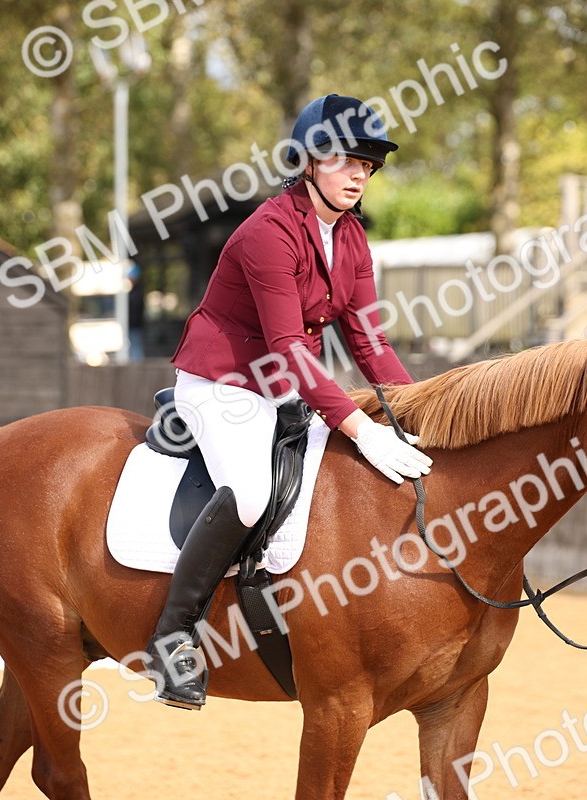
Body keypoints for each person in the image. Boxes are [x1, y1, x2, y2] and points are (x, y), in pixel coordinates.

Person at [146, 94, 433, 709]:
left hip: (282, 386)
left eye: (369, 163)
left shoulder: (351, 237)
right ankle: (173, 638)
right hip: (222, 382)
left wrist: (416, 411)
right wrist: (361, 425)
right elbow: (285, 346)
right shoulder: (267, 232)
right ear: (308, 162)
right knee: (251, 492)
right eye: (348, 160)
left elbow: (368, 339)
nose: (361, 173)